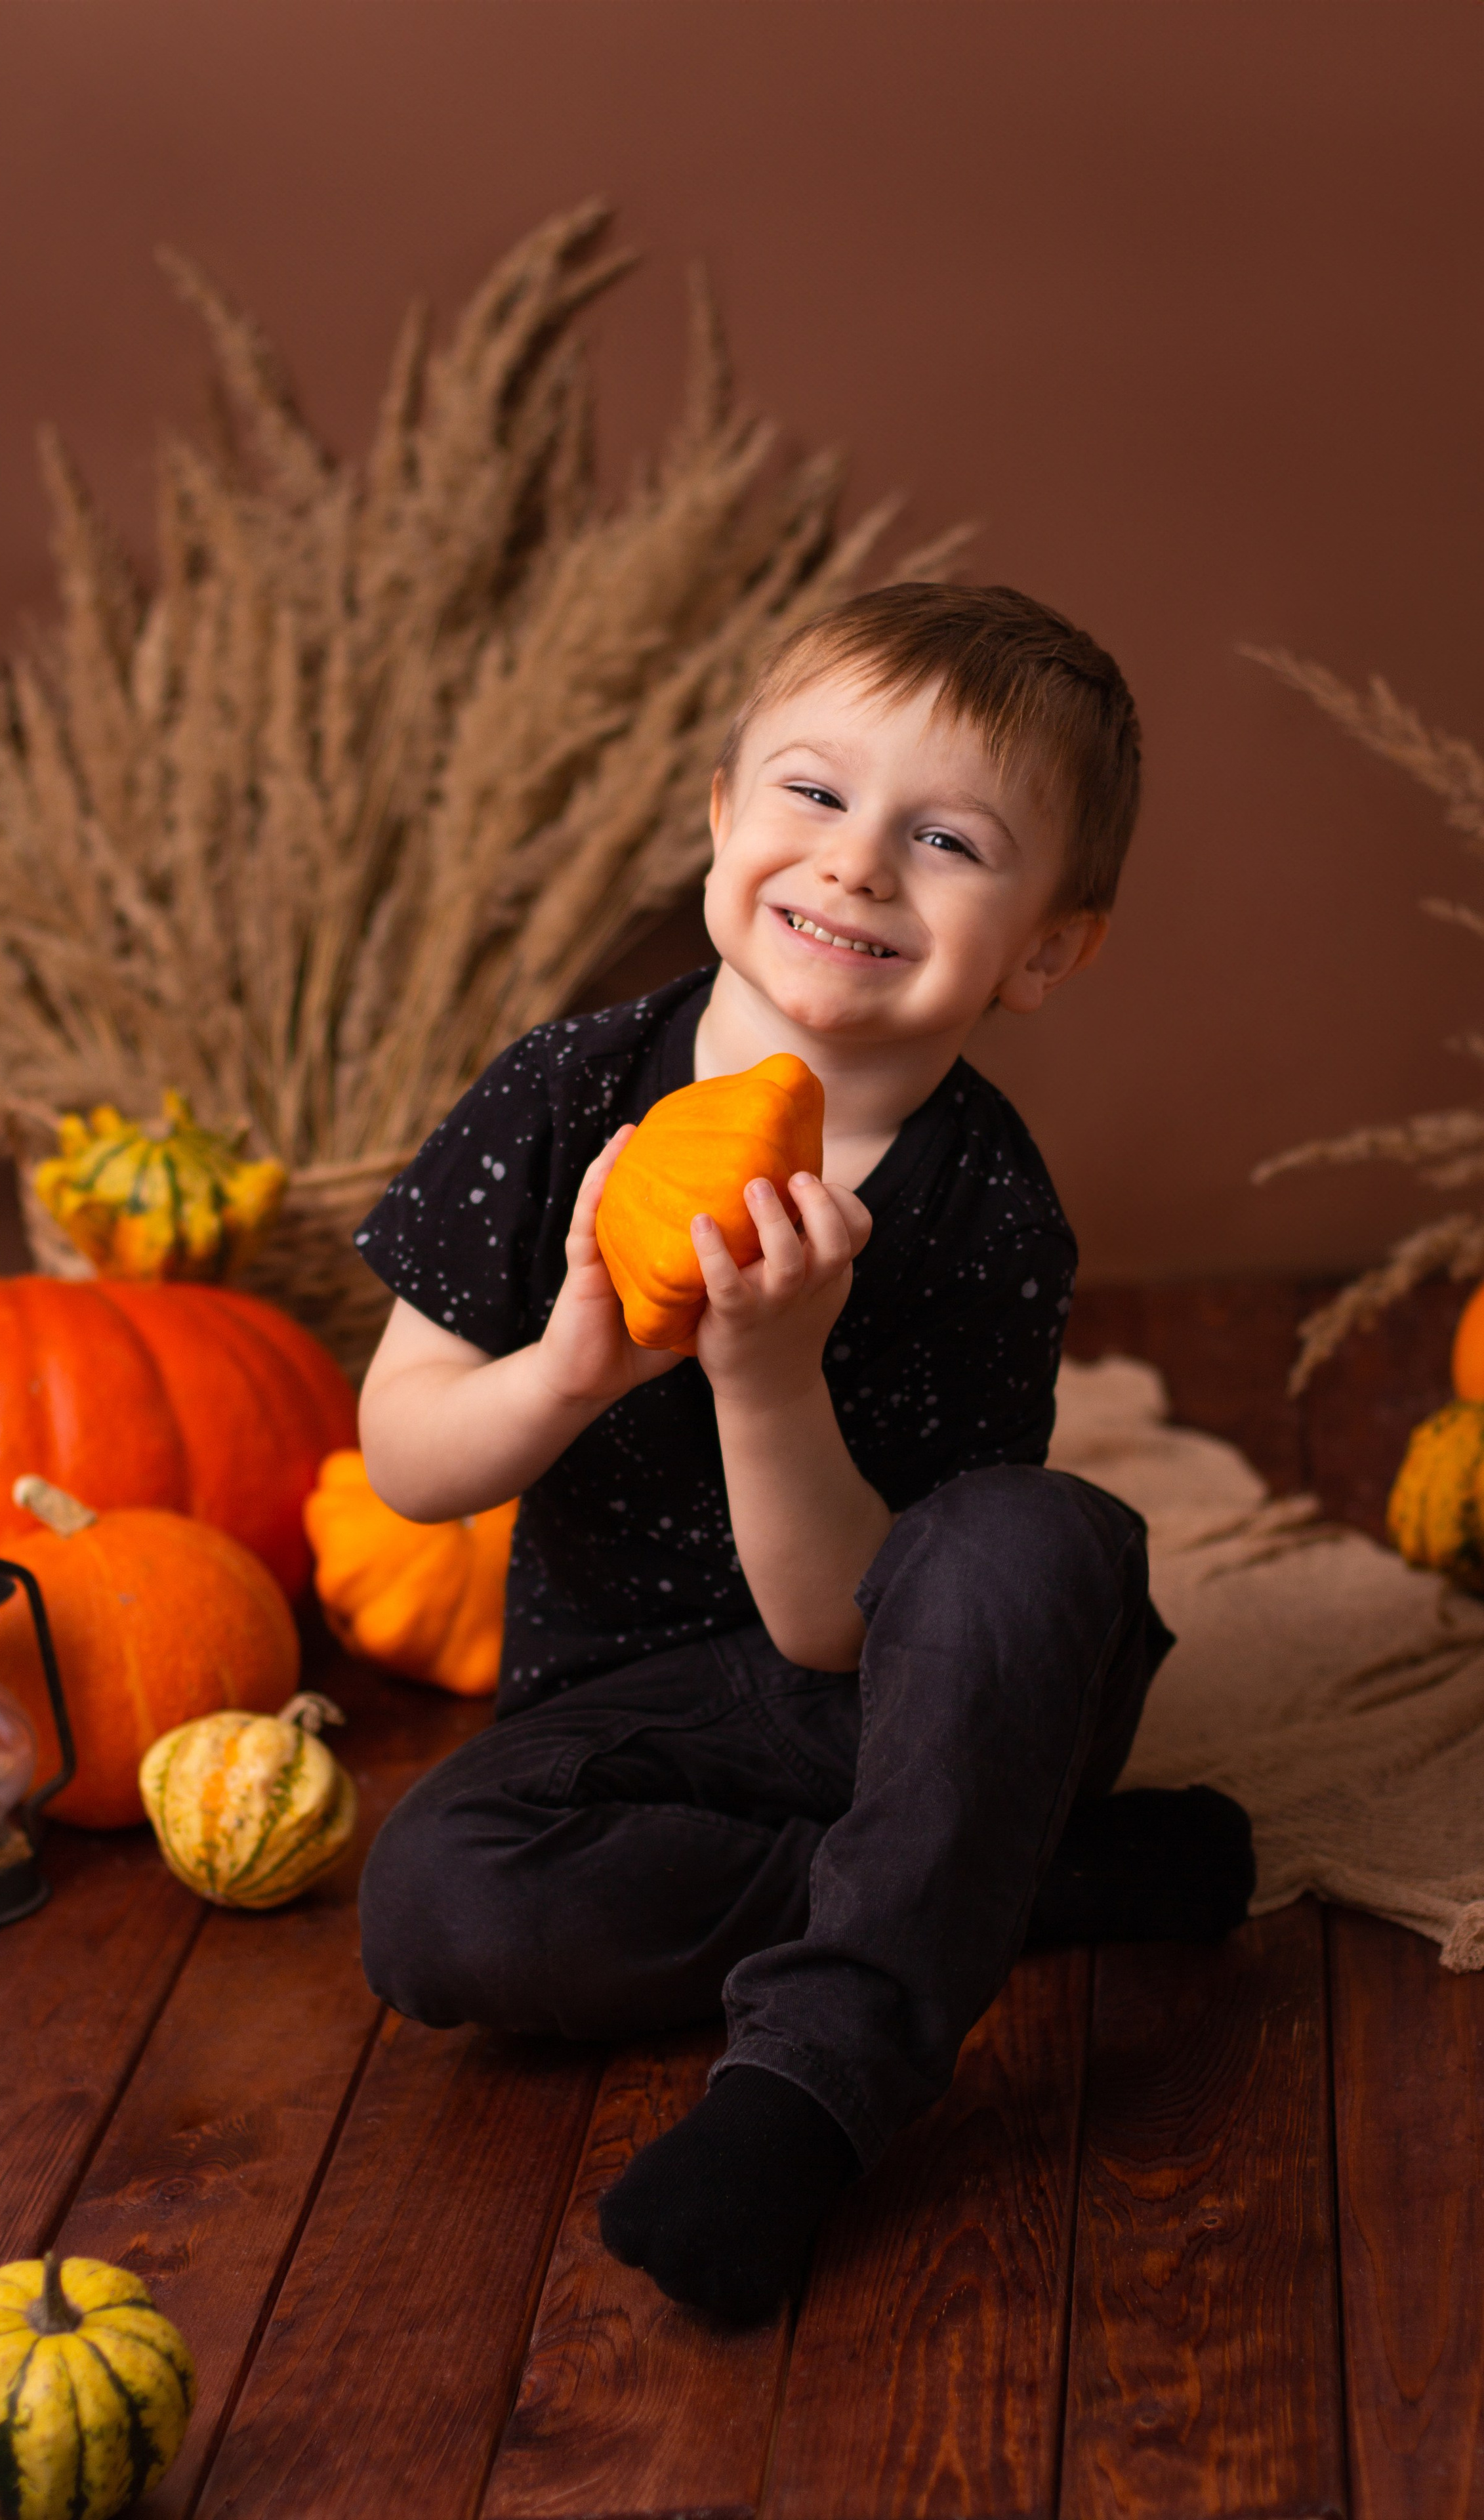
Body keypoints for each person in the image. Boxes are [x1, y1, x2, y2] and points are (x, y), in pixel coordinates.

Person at [351, 582, 1253, 2322]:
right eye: (815, 794)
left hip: (910, 1693)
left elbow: (857, 1631)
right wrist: (566, 1372)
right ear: (720, 820)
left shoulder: (987, 1205)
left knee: (1032, 1543)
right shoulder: (565, 1094)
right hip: (635, 1721)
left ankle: (813, 2084)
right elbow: (407, 1457)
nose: (854, 866)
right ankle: (1003, 1884)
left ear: (1048, 949)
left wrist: (768, 1380)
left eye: (948, 840)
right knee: (438, 1908)